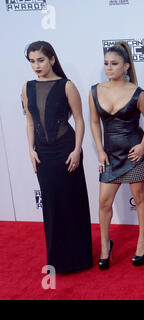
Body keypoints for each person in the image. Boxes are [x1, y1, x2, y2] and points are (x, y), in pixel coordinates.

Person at [22, 41, 93, 273]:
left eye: (40, 60)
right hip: (43, 154)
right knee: (51, 207)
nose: (36, 66)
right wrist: (31, 149)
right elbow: (30, 121)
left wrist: (76, 150)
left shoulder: (67, 85)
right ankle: (58, 260)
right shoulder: (27, 87)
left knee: (72, 203)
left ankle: (79, 258)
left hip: (66, 150)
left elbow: (80, 120)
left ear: (52, 59)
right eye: (32, 61)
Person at [89, 41, 144, 270]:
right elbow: (93, 122)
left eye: (114, 64)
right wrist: (99, 150)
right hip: (109, 155)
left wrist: (143, 145)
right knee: (103, 202)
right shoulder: (95, 90)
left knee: (140, 198)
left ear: (126, 66)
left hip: (135, 154)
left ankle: (142, 241)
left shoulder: (138, 93)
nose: (109, 68)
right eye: (106, 64)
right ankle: (105, 245)